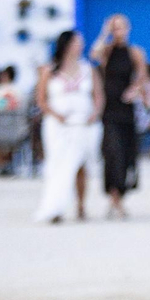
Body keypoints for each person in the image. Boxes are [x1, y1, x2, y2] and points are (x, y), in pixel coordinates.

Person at [33, 30, 105, 223]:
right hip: (57, 125)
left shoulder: (88, 69)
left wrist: (94, 113)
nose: (80, 45)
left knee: (80, 164)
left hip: (82, 123)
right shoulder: (50, 70)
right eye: (76, 42)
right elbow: (41, 99)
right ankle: (55, 206)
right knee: (58, 165)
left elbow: (98, 96)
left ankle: (81, 205)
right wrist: (56, 115)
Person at [90, 13, 148, 219]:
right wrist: (104, 33)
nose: (118, 32)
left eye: (121, 27)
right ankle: (112, 196)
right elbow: (93, 54)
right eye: (115, 28)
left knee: (126, 154)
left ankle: (120, 198)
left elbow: (142, 77)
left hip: (127, 110)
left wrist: (135, 90)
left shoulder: (135, 53)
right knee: (111, 152)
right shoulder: (106, 51)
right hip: (109, 110)